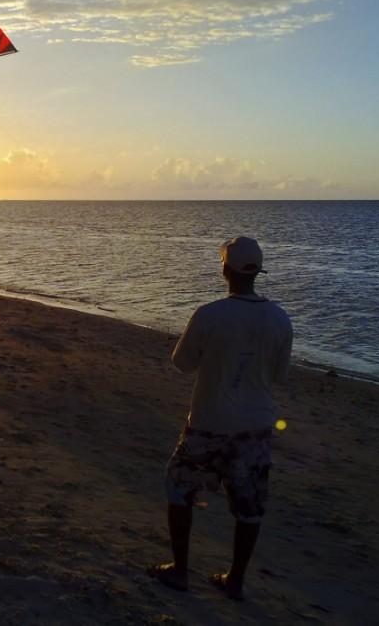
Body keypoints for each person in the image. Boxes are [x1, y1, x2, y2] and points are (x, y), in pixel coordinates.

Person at [148, 236, 292, 600]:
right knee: (250, 506)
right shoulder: (279, 318)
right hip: (256, 426)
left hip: (209, 422)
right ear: (258, 271)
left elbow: (182, 364)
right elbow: (279, 375)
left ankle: (180, 571)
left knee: (178, 488)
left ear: (225, 269)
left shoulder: (209, 314)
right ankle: (236, 580)